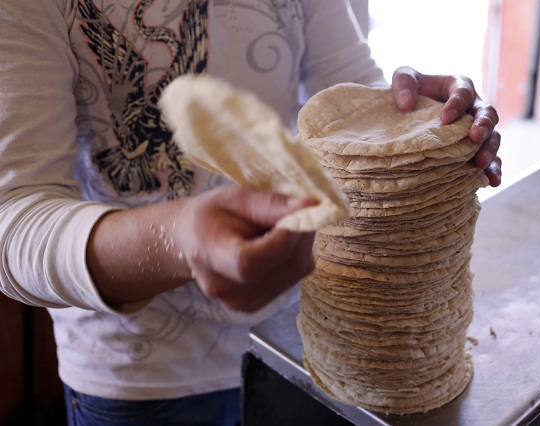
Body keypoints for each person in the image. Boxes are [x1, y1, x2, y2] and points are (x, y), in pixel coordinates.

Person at [0, 0, 501, 424]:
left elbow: (344, 95)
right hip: (139, 381)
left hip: (305, 340)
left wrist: (414, 121)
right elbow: (13, 221)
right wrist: (178, 238)